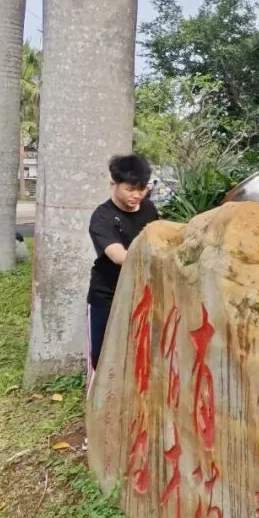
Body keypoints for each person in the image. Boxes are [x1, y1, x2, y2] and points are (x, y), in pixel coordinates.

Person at [87, 154, 159, 370]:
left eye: (142, 188)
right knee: (103, 356)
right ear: (113, 185)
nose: (137, 195)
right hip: (107, 296)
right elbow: (119, 256)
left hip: (141, 292)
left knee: (140, 352)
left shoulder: (149, 209)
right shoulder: (102, 217)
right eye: (130, 189)